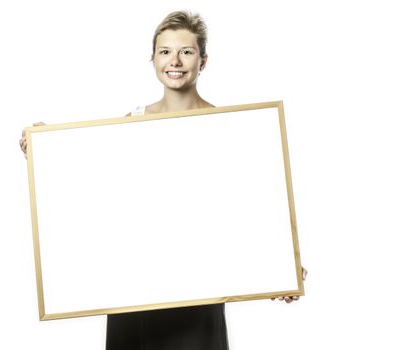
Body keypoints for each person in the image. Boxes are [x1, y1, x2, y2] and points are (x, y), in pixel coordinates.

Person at [20, 10, 306, 350]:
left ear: (203, 60)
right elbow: (95, 193)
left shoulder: (227, 129)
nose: (176, 61)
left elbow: (247, 207)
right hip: (133, 297)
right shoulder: (131, 123)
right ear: (153, 59)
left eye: (186, 51)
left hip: (199, 297)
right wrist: (43, 151)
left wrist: (281, 267)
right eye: (165, 51)